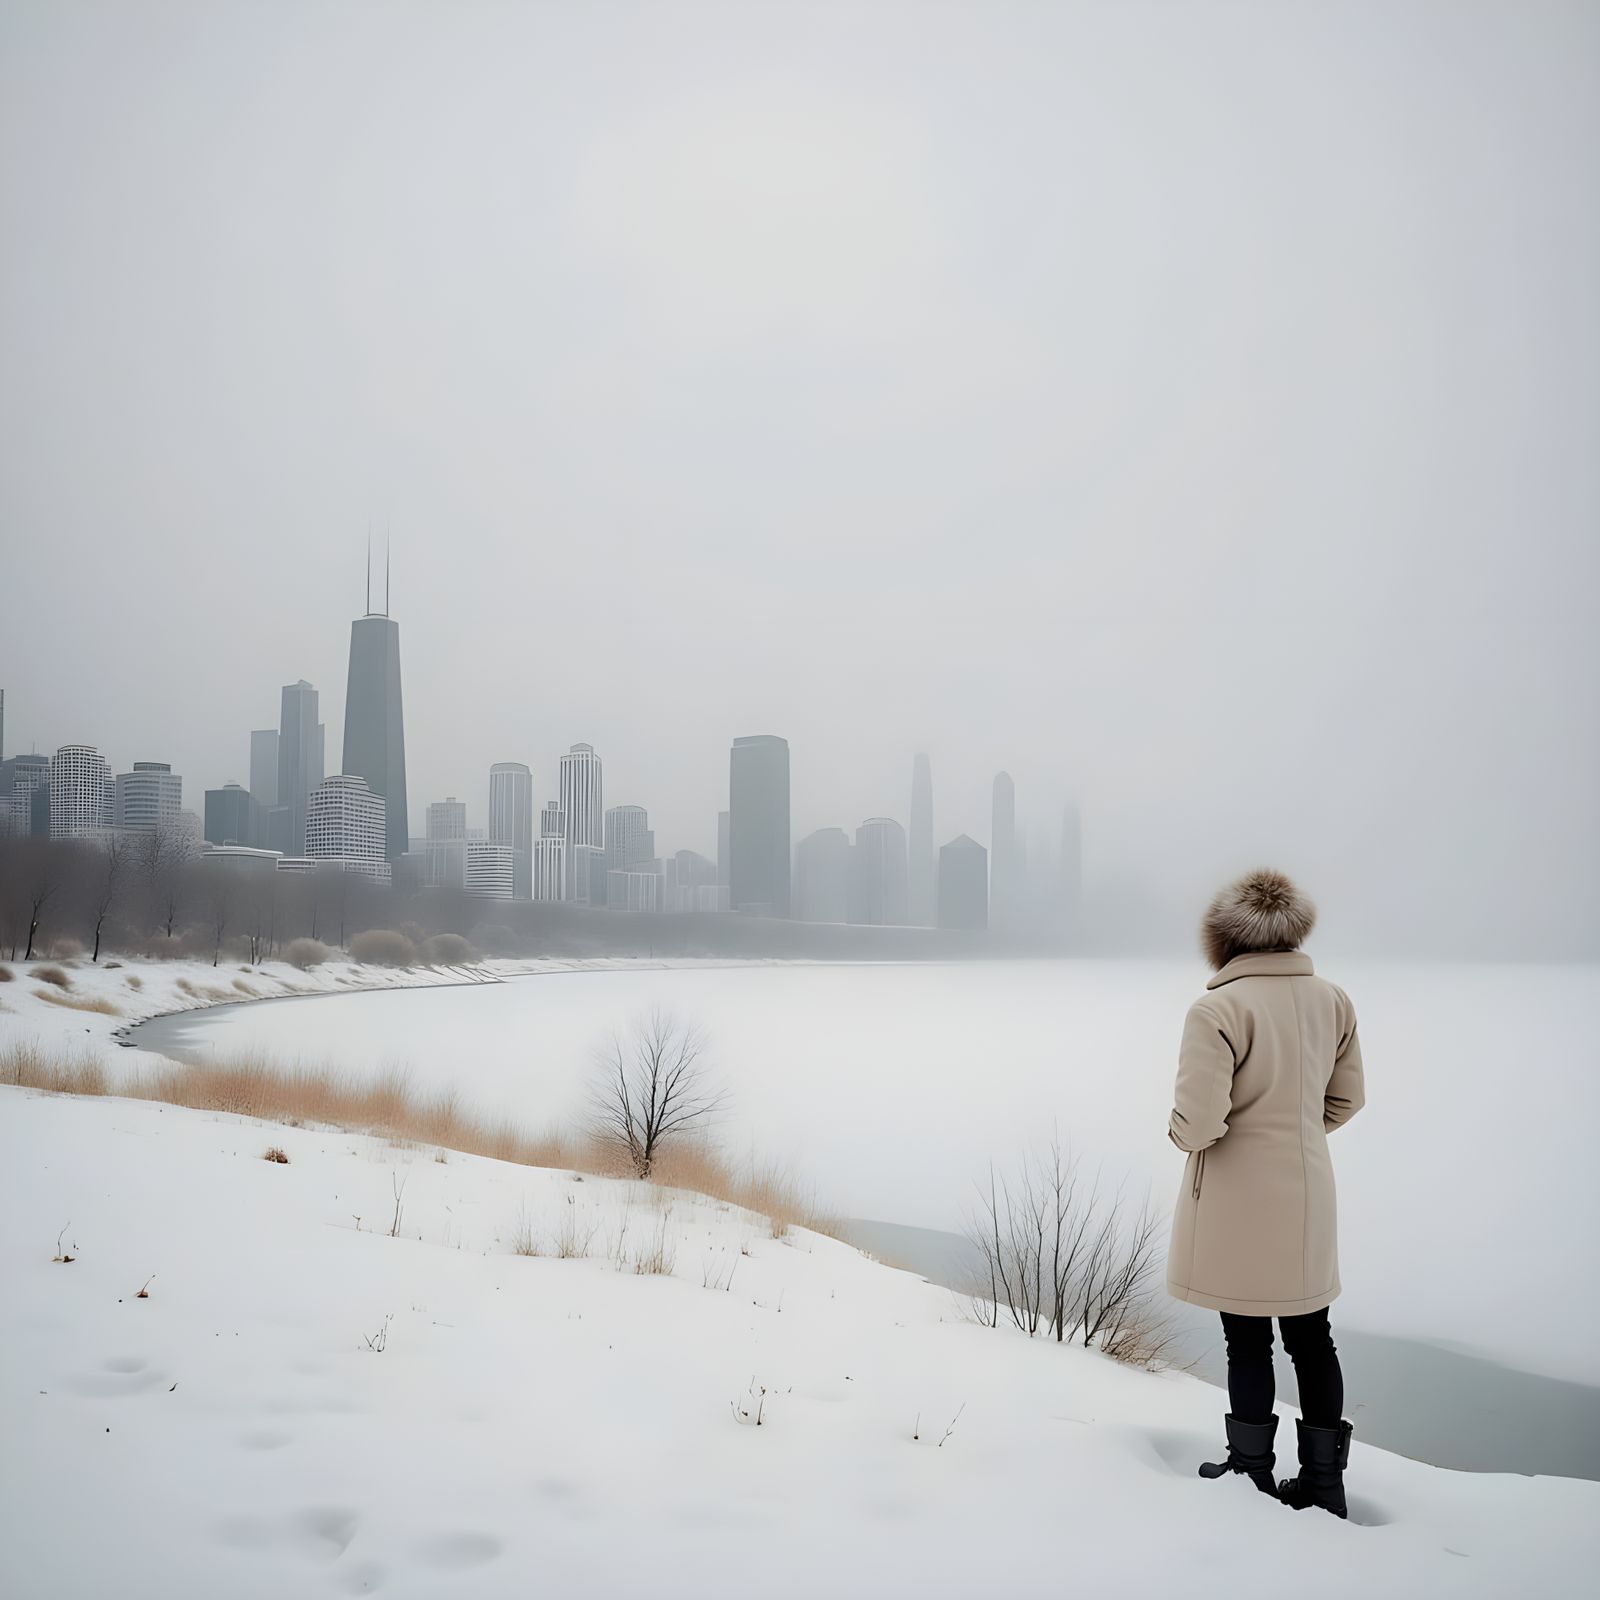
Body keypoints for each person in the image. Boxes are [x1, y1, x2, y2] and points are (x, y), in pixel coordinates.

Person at [1165, 869, 1365, 1517]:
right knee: (1313, 1337)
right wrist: (1299, 1131)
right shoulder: (1332, 999)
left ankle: (1250, 1472)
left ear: (1222, 941)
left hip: (1236, 1198)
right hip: (1309, 1189)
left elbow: (1198, 1123)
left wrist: (1180, 1133)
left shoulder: (1218, 1007)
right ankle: (1324, 1485)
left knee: (1246, 1337)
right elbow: (1346, 1099)